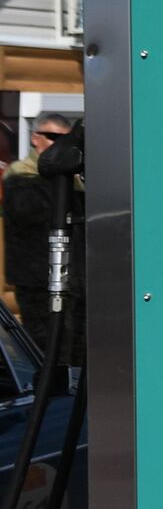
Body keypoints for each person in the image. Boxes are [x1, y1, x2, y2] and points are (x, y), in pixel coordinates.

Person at [4, 112, 74, 356]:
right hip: (35, 280)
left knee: (73, 347)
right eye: (54, 137)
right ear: (36, 138)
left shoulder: (72, 178)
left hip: (70, 278)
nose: (60, 145)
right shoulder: (21, 174)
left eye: (67, 140)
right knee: (45, 348)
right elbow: (30, 212)